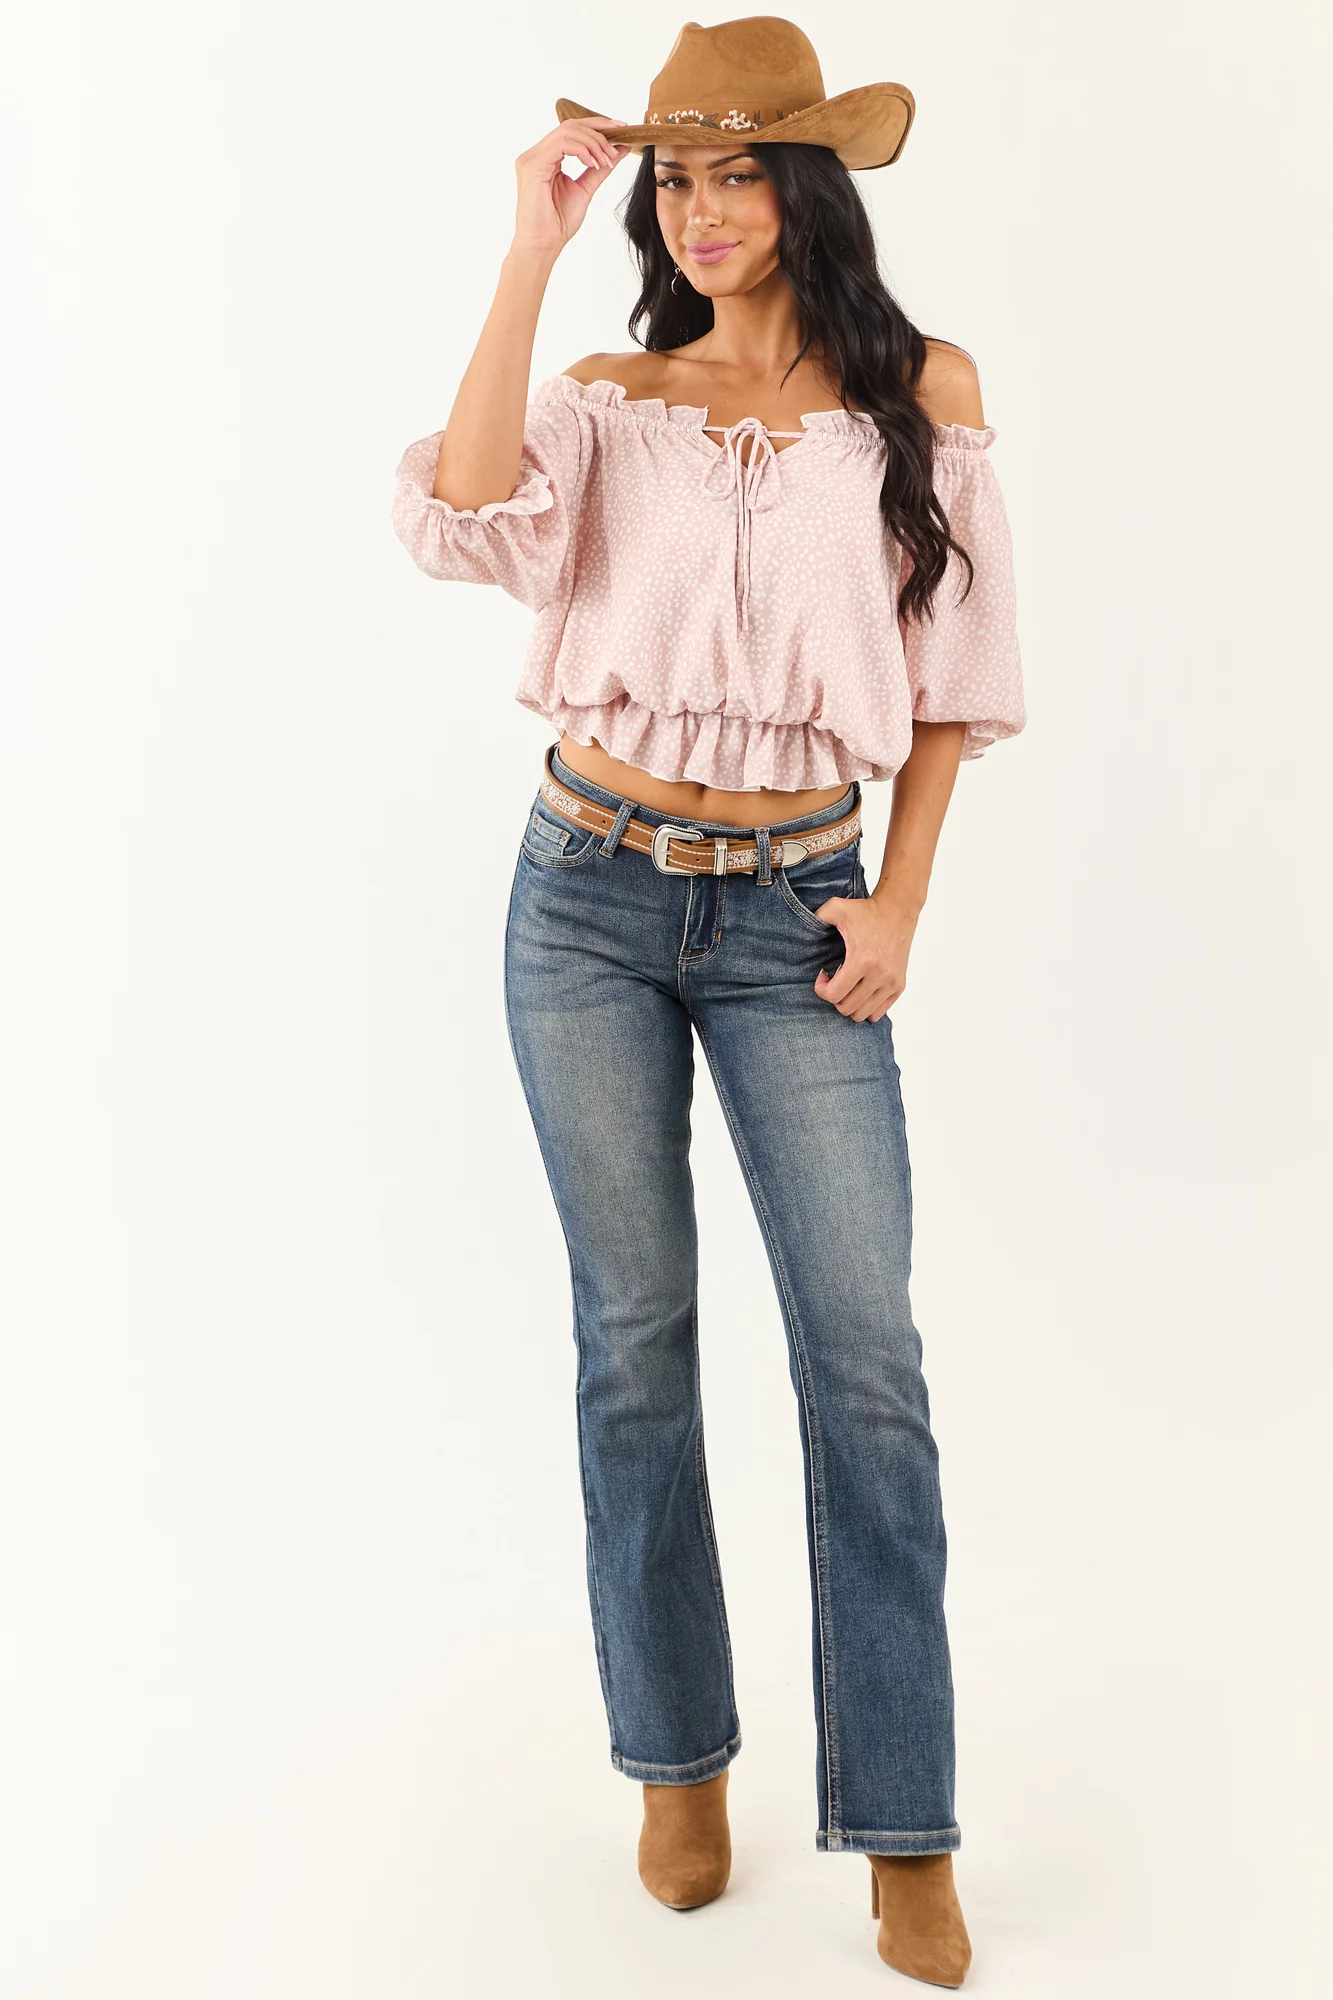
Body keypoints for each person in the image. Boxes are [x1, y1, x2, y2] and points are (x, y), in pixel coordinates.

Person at [390, 17, 1025, 1987]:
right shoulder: (612, 395)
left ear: (806, 188)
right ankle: (677, 1760)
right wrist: (529, 250)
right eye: (678, 178)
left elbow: (954, 684)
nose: (705, 210)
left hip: (797, 916)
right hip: (581, 900)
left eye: (740, 173)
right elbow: (461, 512)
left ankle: (905, 1820)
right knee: (635, 1342)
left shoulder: (918, 396)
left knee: (867, 1360)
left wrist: (900, 898)